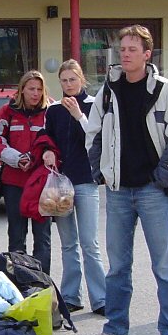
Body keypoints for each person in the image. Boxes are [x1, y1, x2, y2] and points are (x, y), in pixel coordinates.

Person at [85, 24, 168, 335]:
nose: (126, 54)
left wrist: (164, 177)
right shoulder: (108, 91)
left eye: (133, 49)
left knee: (164, 267)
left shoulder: (165, 90)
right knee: (117, 267)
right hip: (118, 191)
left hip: (152, 191)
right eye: (123, 49)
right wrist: (99, 170)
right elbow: (93, 132)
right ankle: (116, 331)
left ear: (148, 55)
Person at [40, 59, 106, 315]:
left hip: (86, 180)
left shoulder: (92, 105)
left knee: (90, 243)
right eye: (64, 81)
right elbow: (47, 137)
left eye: (72, 80)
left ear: (82, 80)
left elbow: (93, 139)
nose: (68, 85)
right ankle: (71, 296)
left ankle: (100, 299)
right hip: (60, 184)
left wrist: (78, 114)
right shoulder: (53, 110)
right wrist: (46, 150)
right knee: (68, 243)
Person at [0, 70, 52, 273]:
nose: (36, 93)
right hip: (13, 182)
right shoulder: (6, 112)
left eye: (39, 89)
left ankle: (42, 283)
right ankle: (19, 281)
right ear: (22, 89)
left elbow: (57, 141)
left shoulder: (51, 111)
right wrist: (16, 158)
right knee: (16, 234)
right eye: (31, 89)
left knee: (42, 237)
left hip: (42, 184)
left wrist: (38, 157)